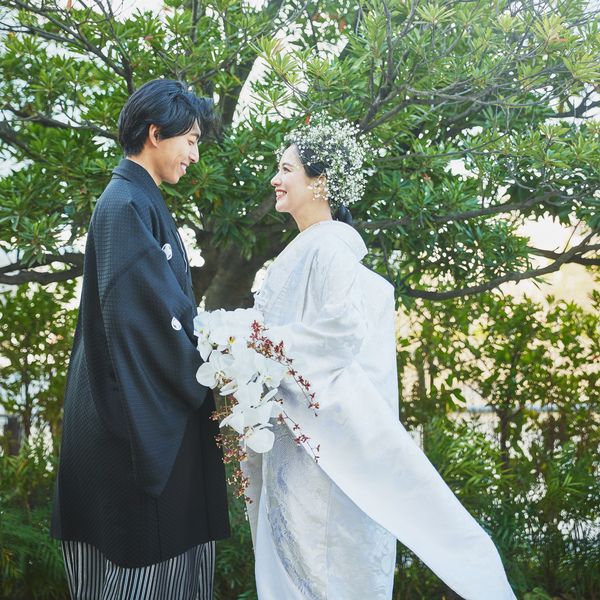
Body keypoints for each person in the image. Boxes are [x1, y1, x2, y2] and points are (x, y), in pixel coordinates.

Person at [243, 117, 517, 599]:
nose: (275, 179)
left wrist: (256, 345)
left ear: (320, 182)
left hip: (315, 448)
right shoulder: (310, 247)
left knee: (316, 567)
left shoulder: (331, 247)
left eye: (286, 169)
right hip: (294, 437)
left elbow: (340, 332)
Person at [51, 79, 230, 599]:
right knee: (146, 567)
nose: (194, 155)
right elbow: (146, 324)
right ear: (156, 134)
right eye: (190, 141)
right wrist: (211, 374)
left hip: (123, 407)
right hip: (130, 423)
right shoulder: (126, 204)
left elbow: (158, 313)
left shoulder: (133, 199)